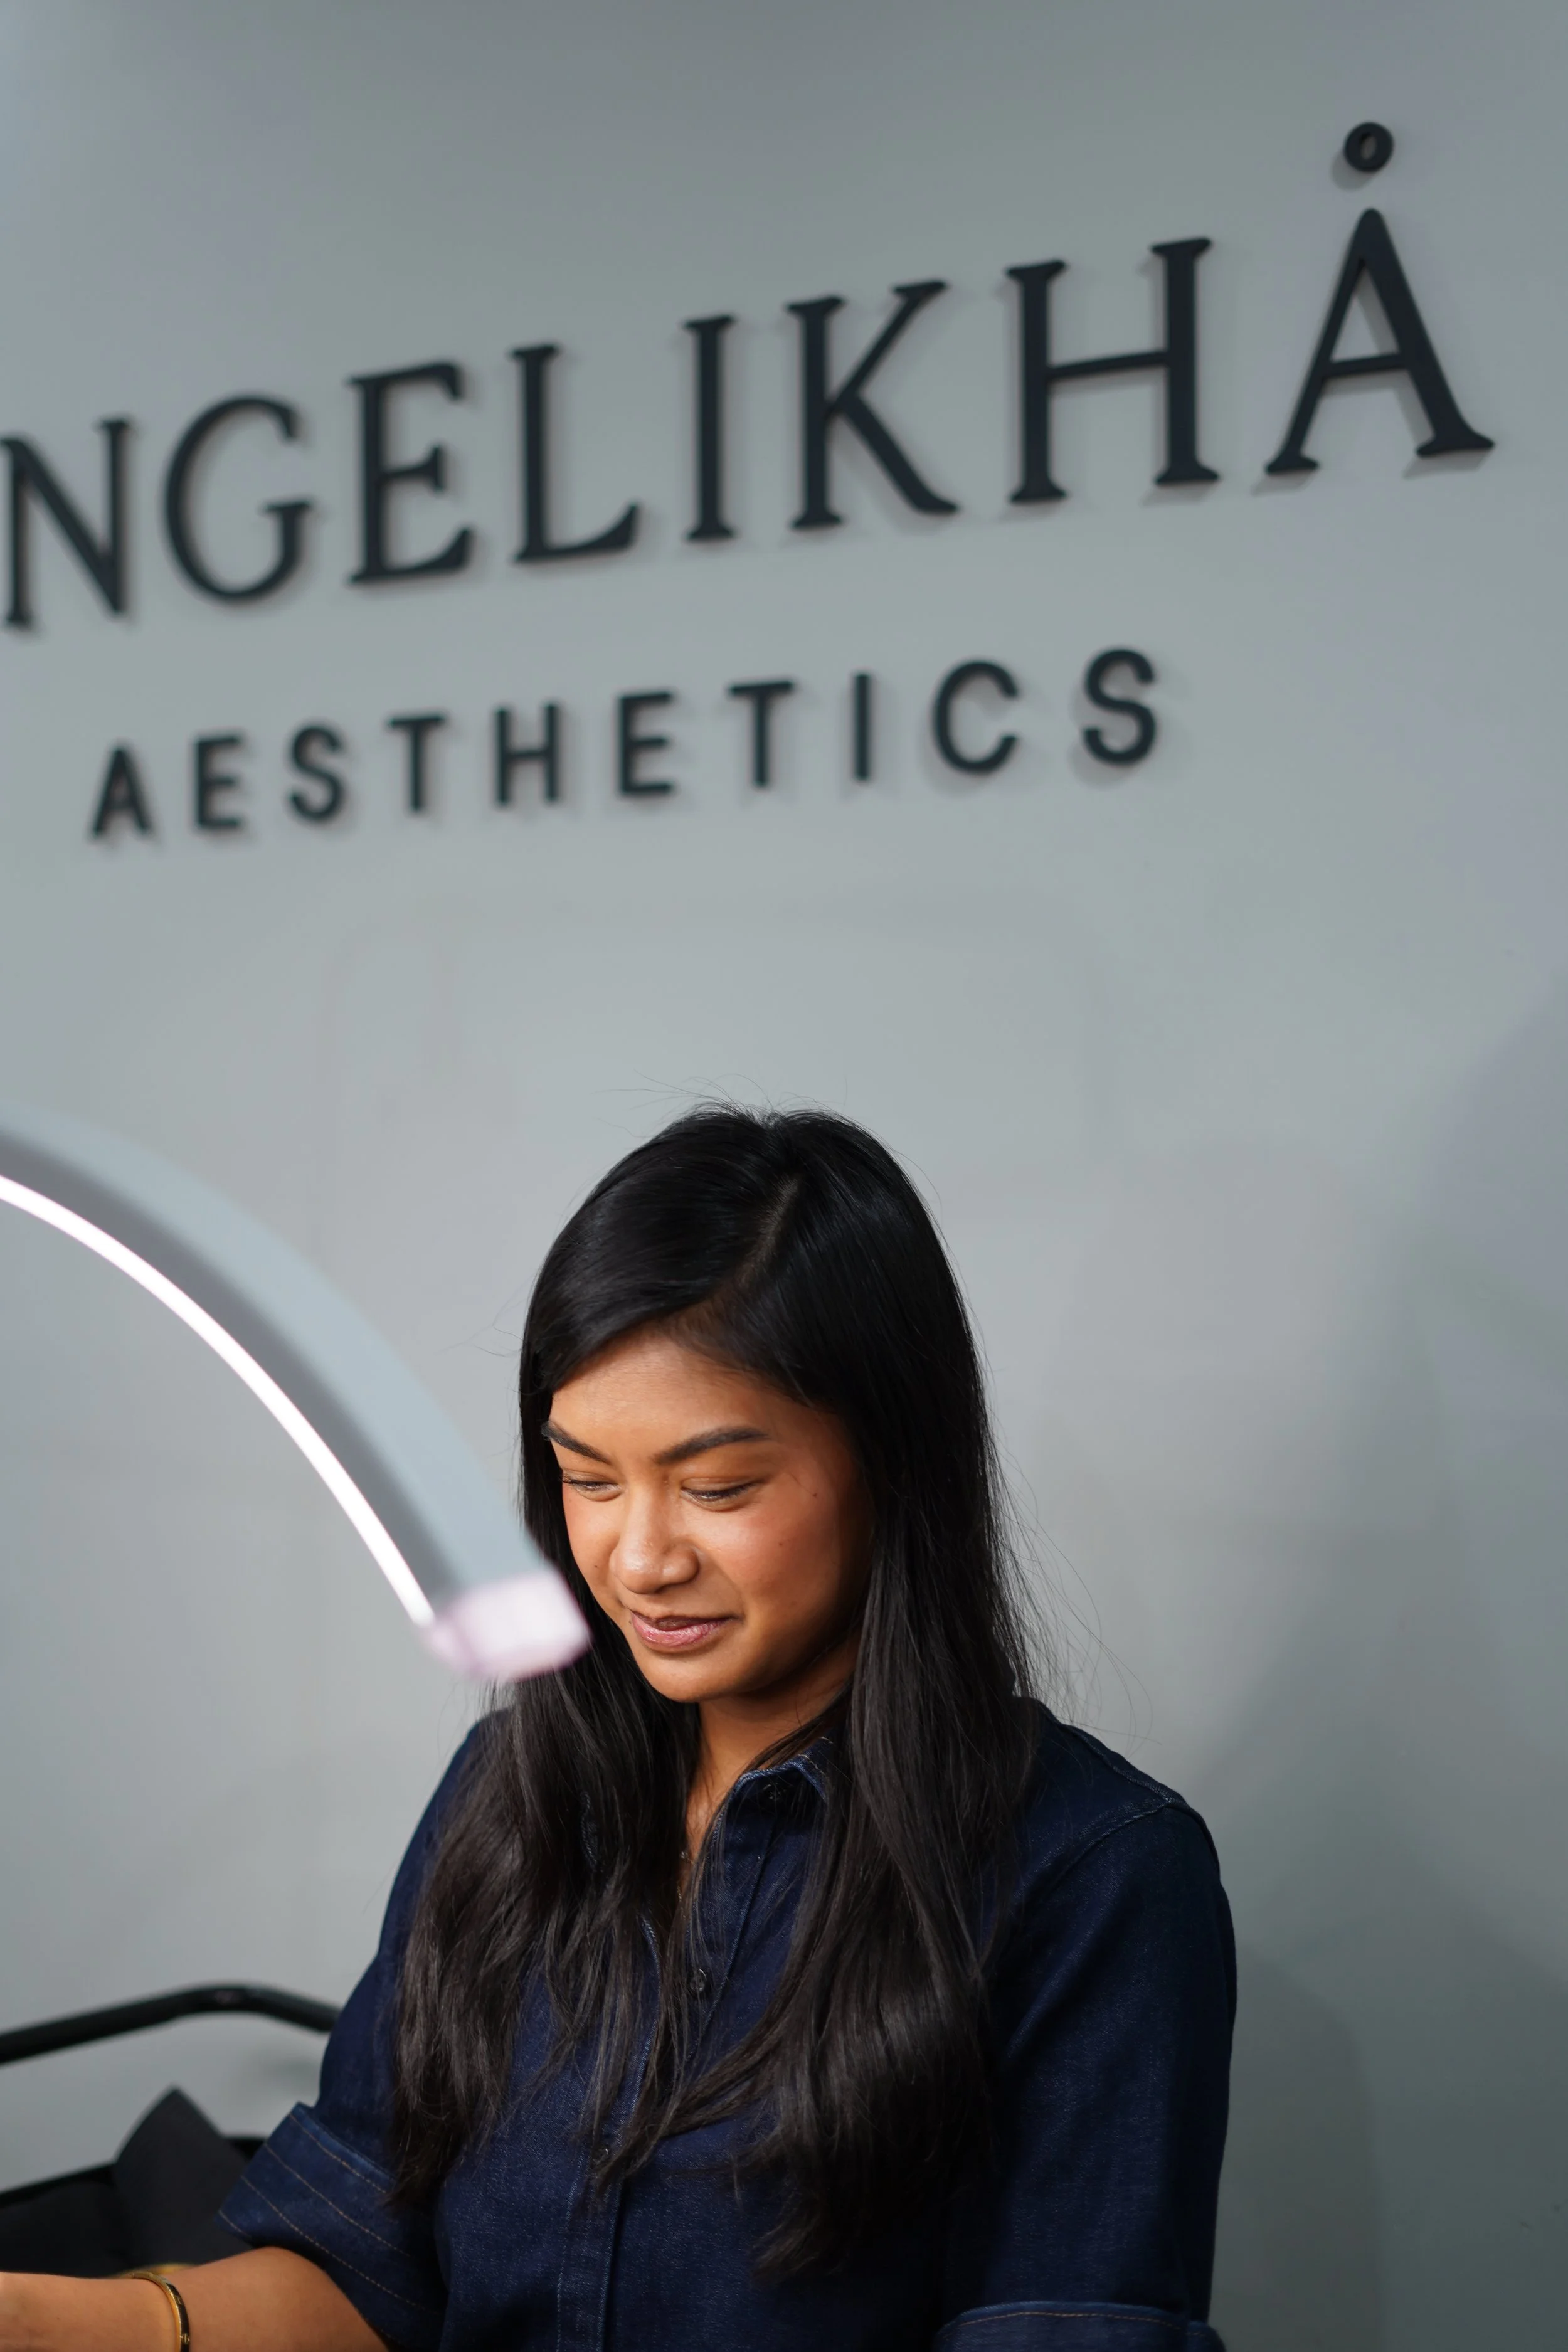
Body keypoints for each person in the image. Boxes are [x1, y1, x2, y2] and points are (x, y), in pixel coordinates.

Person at [0, 1107, 1235, 2352]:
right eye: (588, 1479)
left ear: (892, 1463)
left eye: (716, 1487)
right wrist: (38, 2317)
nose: (639, 1559)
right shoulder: (510, 1795)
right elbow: (360, 2278)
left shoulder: (1094, 1882)